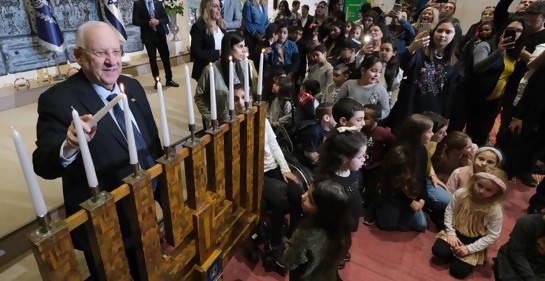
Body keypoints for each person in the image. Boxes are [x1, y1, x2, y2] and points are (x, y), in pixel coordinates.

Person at [32, 21, 164, 281]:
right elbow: (43, 164)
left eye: (116, 52)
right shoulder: (57, 100)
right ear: (78, 56)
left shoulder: (132, 86)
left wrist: (162, 191)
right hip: (105, 219)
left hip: (146, 202)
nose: (111, 61)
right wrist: (69, 145)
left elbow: (152, 141)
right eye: (101, 53)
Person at [233, 83, 304, 271]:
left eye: (243, 97)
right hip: (256, 173)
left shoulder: (261, 118)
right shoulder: (233, 125)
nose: (241, 102)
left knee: (296, 190)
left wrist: (285, 169)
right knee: (279, 203)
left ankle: (294, 231)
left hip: (272, 166)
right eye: (236, 98)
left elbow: (274, 145)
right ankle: (274, 242)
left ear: (250, 97)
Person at [450, 17, 526, 146]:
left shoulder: (514, 53)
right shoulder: (485, 45)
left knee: (474, 134)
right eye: (510, 29)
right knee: (455, 132)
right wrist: (499, 51)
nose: (515, 33)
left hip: (489, 102)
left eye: (519, 30)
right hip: (468, 96)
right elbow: (478, 68)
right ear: (503, 30)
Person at [432, 167, 508, 279]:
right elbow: (449, 211)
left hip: (473, 241)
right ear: (474, 181)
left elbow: (493, 235)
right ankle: (452, 253)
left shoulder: (495, 210)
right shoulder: (461, 194)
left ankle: (456, 256)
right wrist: (451, 233)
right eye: (480, 185)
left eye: (489, 190)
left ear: (497, 193)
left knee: (458, 272)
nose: (481, 191)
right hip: (455, 232)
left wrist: (469, 249)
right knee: (438, 251)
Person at [386, 18, 459, 131]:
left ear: (455, 35)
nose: (442, 35)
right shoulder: (420, 51)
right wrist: (412, 49)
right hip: (410, 104)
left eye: (448, 32)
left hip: (432, 110)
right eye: (439, 30)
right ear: (433, 31)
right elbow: (404, 66)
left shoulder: (453, 62)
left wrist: (445, 116)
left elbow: (448, 92)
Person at [315, 126, 368, 269]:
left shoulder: (354, 171)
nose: (364, 160)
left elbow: (358, 188)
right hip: (334, 223)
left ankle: (341, 251)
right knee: (334, 244)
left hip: (349, 218)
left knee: (346, 239)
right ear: (343, 158)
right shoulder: (328, 182)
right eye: (360, 157)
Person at [282, 180, 352, 281]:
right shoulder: (343, 228)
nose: (303, 196)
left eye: (310, 200)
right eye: (306, 191)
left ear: (324, 210)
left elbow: (289, 261)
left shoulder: (305, 233)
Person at [375, 114, 433, 232]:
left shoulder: (422, 150)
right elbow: (394, 183)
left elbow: (422, 176)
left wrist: (422, 198)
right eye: (429, 131)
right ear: (417, 134)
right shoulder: (399, 154)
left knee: (419, 225)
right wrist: (410, 202)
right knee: (388, 225)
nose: (432, 134)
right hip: (396, 196)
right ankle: (376, 205)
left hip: (411, 194)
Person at [194, 33, 257, 126]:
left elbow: (253, 91)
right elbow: (199, 96)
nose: (244, 50)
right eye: (240, 46)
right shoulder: (211, 70)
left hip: (243, 119)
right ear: (229, 48)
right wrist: (210, 117)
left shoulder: (247, 64)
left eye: (244, 46)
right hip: (221, 123)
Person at [361, 104, 396, 226]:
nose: (362, 120)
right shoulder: (358, 128)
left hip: (374, 167)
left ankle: (371, 210)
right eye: (361, 116)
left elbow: (393, 145)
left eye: (366, 117)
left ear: (376, 119)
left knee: (372, 189)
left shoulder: (382, 132)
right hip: (359, 166)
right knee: (359, 186)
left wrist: (384, 160)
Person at [132, 0, 179, 88]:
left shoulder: (158, 3)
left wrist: (158, 21)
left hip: (160, 35)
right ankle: (157, 81)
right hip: (148, 35)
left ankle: (169, 79)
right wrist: (148, 23)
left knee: (165, 57)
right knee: (152, 59)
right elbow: (135, 21)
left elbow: (166, 19)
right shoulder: (138, 4)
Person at [494, 213, 545, 281]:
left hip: (539, 265)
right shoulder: (527, 222)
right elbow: (517, 254)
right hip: (514, 260)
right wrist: (532, 279)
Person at [190, 0, 226, 81]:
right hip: (206, 71)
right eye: (215, 6)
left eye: (219, 6)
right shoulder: (198, 27)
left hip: (222, 70)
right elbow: (196, 53)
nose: (219, 9)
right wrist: (219, 53)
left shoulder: (222, 27)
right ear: (207, 8)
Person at [294, 103, 336, 168]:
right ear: (326, 118)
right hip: (311, 157)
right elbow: (309, 154)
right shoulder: (314, 132)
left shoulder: (332, 129)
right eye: (335, 115)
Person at [378, 41, 403, 108]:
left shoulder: (396, 70)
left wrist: (391, 106)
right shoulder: (373, 64)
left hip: (383, 103)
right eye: (381, 49)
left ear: (394, 53)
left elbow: (395, 89)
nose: (383, 52)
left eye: (387, 50)